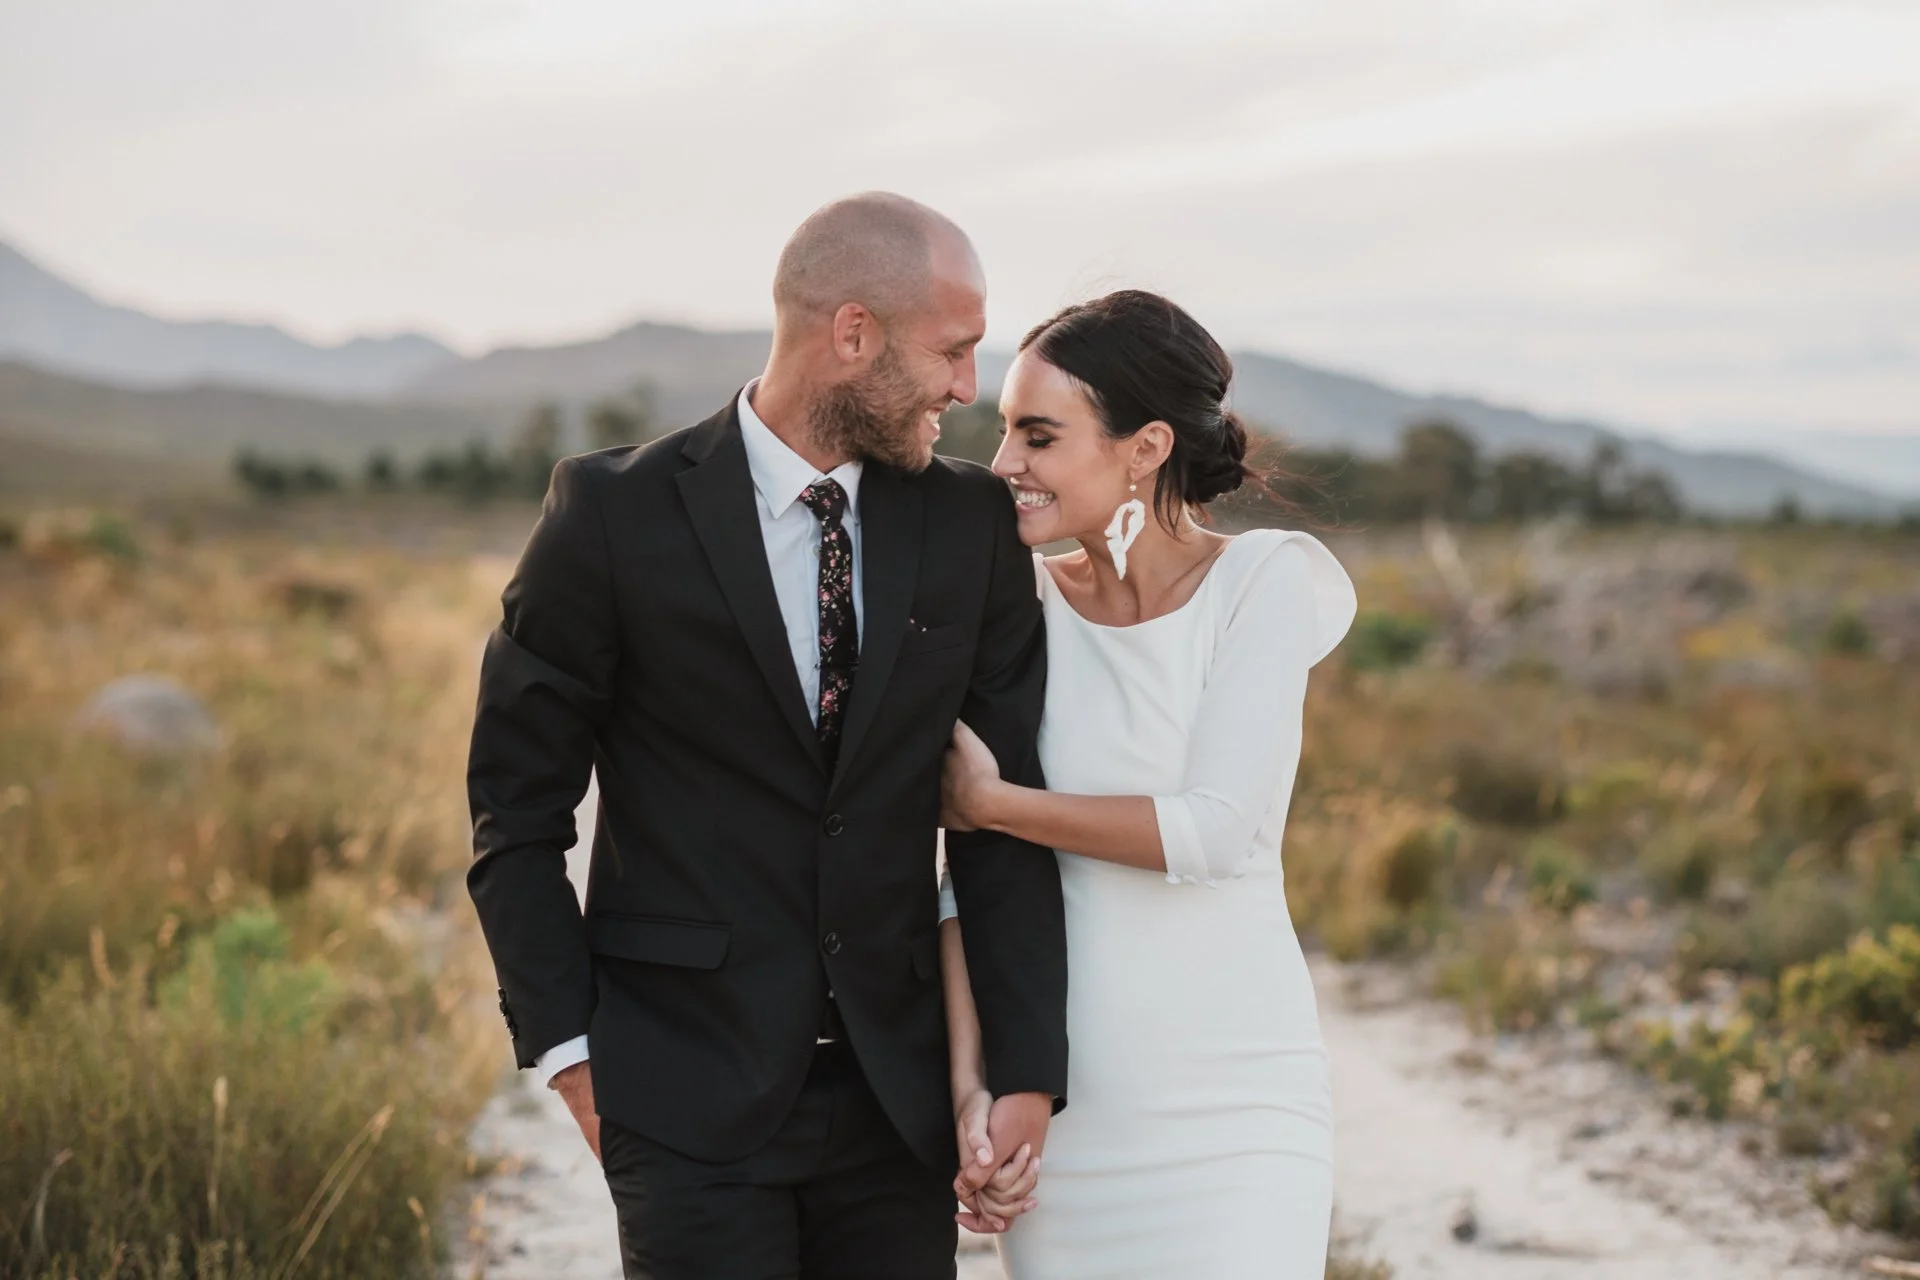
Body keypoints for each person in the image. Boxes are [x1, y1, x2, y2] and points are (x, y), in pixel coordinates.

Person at [466, 192, 1068, 1279]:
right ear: (852, 335)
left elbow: (1001, 820)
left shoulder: (970, 527)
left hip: (897, 1105)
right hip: (682, 1099)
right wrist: (573, 1058)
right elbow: (513, 814)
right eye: (954, 349)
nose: (967, 388)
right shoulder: (609, 518)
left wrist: (1023, 1066)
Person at [938, 290, 1357, 1278]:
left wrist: (995, 802)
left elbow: (1214, 832)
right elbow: (965, 881)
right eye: (1004, 433)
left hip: (1238, 1108)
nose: (1004, 465)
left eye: (1039, 437)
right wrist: (973, 1083)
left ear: (1145, 446)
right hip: (1067, 1123)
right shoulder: (1017, 607)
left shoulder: (1261, 583)